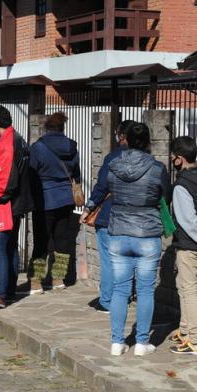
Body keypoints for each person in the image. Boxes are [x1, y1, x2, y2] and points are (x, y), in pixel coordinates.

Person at [106, 122, 169, 356]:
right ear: (149, 142)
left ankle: (117, 342)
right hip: (147, 233)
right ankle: (142, 343)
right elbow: (166, 194)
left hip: (119, 231)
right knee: (145, 290)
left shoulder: (113, 165)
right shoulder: (157, 168)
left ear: (126, 140)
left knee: (120, 289)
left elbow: (107, 189)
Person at [0, 105, 34, 308]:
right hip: (18, 201)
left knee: (0, 247)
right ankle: (9, 291)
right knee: (10, 247)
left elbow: (3, 176)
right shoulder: (19, 138)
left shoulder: (7, 142)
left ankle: (1, 293)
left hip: (6, 202)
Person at [80, 120, 135, 313]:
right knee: (127, 259)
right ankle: (125, 296)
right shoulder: (148, 161)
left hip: (111, 214)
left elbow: (102, 187)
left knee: (109, 259)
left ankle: (107, 300)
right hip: (135, 217)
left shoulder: (113, 158)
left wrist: (88, 208)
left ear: (122, 136)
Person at [29, 112, 81, 289]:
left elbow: (31, 173)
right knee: (62, 241)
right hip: (66, 199)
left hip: (44, 199)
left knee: (41, 242)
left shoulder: (38, 147)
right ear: (62, 128)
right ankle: (59, 279)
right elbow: (77, 174)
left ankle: (36, 282)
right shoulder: (72, 146)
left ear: (46, 128)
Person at [169, 136, 197, 355]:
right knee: (185, 288)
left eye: (173, 156)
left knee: (189, 291)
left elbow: (188, 221)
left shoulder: (182, 185)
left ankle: (194, 339)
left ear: (179, 159)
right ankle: (186, 330)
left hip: (189, 245)